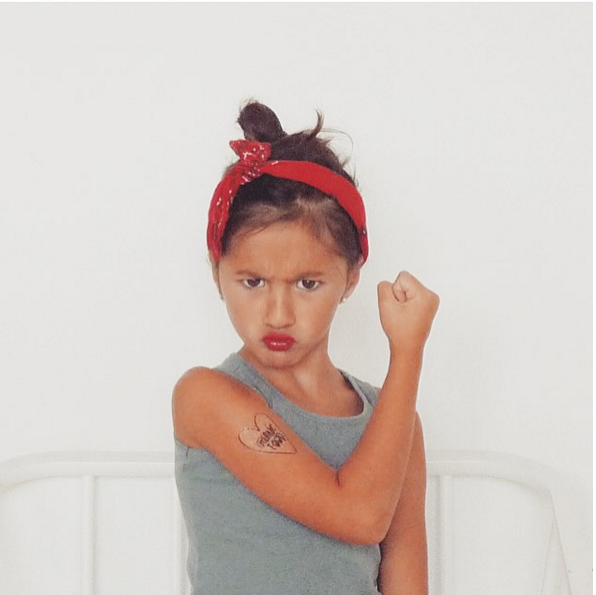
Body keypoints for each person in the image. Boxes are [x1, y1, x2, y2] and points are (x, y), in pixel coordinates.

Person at [173, 101, 439, 595]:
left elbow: (406, 581)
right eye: (253, 281)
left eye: (307, 284)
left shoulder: (394, 419)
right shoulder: (206, 396)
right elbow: (359, 516)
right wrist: (407, 353)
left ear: (351, 278)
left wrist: (405, 370)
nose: (278, 314)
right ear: (217, 271)